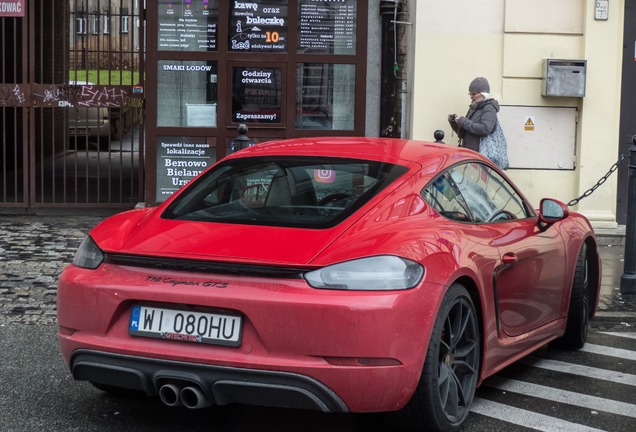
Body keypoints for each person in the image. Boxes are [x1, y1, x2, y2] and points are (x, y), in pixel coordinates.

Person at [448, 77, 500, 152]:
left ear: (483, 93)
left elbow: (485, 129)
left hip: (480, 155)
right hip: (469, 153)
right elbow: (463, 134)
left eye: (474, 94)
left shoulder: (489, 108)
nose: (471, 97)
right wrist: (453, 122)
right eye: (470, 94)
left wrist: (463, 121)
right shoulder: (474, 107)